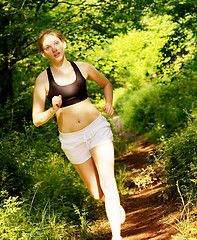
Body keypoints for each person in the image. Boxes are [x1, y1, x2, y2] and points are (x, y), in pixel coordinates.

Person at [32, 29, 125, 240]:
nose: (53, 48)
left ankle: (117, 237)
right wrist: (53, 110)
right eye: (48, 47)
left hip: (96, 130)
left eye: (56, 43)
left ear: (63, 43)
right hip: (72, 140)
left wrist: (108, 103)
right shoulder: (42, 80)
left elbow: (106, 84)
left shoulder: (82, 68)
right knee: (97, 193)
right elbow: (37, 120)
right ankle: (114, 205)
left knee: (108, 182)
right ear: (43, 54)